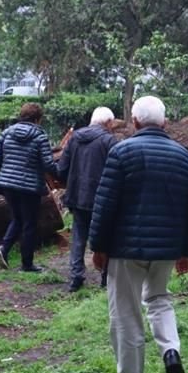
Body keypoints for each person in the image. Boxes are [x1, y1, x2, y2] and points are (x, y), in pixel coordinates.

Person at [89, 96, 188, 373]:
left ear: (135, 122)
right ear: (165, 123)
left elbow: (105, 204)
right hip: (167, 248)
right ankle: (170, 350)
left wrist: (98, 246)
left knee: (126, 311)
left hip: (126, 249)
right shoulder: (183, 156)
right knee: (159, 298)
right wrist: (187, 250)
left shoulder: (121, 152)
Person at [0, 102, 58, 272]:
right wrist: (62, 174)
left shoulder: (6, 133)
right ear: (38, 119)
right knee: (29, 224)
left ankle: (3, 249)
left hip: (7, 185)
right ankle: (27, 264)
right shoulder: (39, 136)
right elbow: (49, 164)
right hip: (29, 187)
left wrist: (3, 175)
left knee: (17, 219)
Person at [57, 106, 117, 292]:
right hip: (102, 199)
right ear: (108, 122)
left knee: (78, 237)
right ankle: (105, 278)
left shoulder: (74, 138)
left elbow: (62, 168)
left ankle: (76, 277)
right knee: (107, 238)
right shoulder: (109, 141)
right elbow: (117, 171)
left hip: (77, 196)